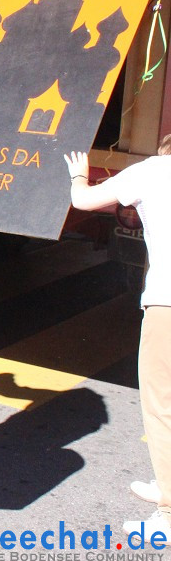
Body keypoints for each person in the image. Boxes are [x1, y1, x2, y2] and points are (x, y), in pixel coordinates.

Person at [66, 141, 171, 540]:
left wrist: (80, 172)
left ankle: (168, 514)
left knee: (162, 407)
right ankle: (166, 483)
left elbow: (84, 200)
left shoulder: (153, 171)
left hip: (167, 305)